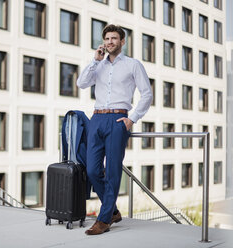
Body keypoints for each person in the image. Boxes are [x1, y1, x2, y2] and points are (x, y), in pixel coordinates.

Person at [77, 24, 153, 235]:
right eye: (107, 38)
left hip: (118, 119)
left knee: (112, 171)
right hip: (97, 119)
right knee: (92, 170)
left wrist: (132, 119)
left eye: (114, 38)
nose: (110, 42)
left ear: (122, 41)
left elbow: (147, 94)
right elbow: (81, 83)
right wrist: (94, 61)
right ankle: (113, 211)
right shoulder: (98, 65)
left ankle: (104, 219)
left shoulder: (132, 65)